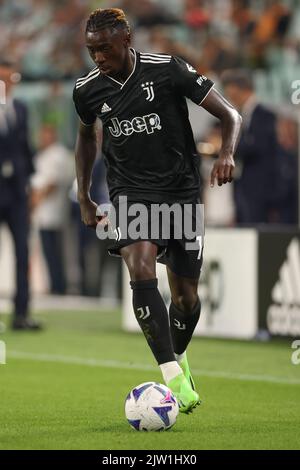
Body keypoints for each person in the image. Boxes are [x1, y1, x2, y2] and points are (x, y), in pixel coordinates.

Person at [73, 8, 241, 413]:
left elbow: (230, 114)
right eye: (91, 50)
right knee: (140, 265)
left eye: (105, 48)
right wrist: (84, 196)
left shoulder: (167, 70)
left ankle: (179, 357)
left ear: (126, 38)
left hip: (182, 192)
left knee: (185, 298)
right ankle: (171, 376)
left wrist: (226, 154)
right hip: (130, 193)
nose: (98, 57)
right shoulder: (87, 90)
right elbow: (86, 140)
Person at [0, 59, 42, 330]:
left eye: (11, 79)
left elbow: (27, 150)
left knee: (23, 253)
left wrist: (33, 185)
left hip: (16, 195)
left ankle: (21, 313)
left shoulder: (21, 109)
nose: (7, 84)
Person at [221, 69, 279, 224]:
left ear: (242, 89)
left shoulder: (265, 115)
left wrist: (226, 146)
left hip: (259, 189)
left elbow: (257, 146)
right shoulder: (242, 115)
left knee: (256, 230)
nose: (228, 95)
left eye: (231, 90)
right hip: (243, 186)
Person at [30, 123, 74, 294]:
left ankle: (59, 285)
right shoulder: (42, 155)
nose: (42, 138)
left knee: (55, 252)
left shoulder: (59, 154)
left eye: (45, 134)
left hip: (52, 212)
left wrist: (34, 201)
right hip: (42, 213)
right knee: (47, 252)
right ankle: (53, 284)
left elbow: (52, 183)